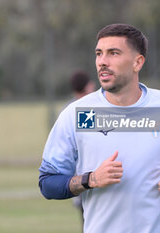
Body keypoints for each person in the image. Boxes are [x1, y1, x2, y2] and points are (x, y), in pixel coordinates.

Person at [39, 23, 160, 233]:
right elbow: (48, 182)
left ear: (137, 62)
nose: (102, 62)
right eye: (99, 54)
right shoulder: (79, 114)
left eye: (113, 53)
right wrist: (91, 179)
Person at [68, 71, 96, 229]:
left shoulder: (68, 110)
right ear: (87, 86)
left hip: (78, 182)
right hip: (91, 180)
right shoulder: (86, 110)